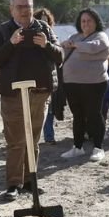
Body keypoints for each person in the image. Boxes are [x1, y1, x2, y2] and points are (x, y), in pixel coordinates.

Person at [0, 0, 63, 201]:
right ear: (12, 9)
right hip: (12, 96)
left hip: (39, 94)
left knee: (33, 140)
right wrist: (11, 43)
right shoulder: (4, 30)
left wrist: (46, 45)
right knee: (15, 141)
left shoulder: (44, 28)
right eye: (20, 7)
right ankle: (14, 183)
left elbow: (60, 56)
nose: (24, 11)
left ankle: (30, 181)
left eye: (28, 6)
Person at [60, 8, 109, 162]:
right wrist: (65, 44)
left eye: (89, 20)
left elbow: (94, 47)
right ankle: (77, 147)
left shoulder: (101, 36)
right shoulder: (75, 36)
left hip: (94, 83)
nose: (86, 23)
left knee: (94, 114)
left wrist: (75, 45)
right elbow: (63, 50)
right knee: (78, 116)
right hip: (71, 83)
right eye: (83, 21)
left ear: (96, 22)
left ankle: (98, 147)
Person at [34, 8, 62, 144]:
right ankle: (36, 137)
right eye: (40, 19)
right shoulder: (32, 35)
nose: (43, 23)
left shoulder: (52, 36)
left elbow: (58, 55)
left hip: (50, 78)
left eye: (46, 20)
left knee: (49, 110)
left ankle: (49, 136)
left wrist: (47, 45)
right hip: (35, 79)